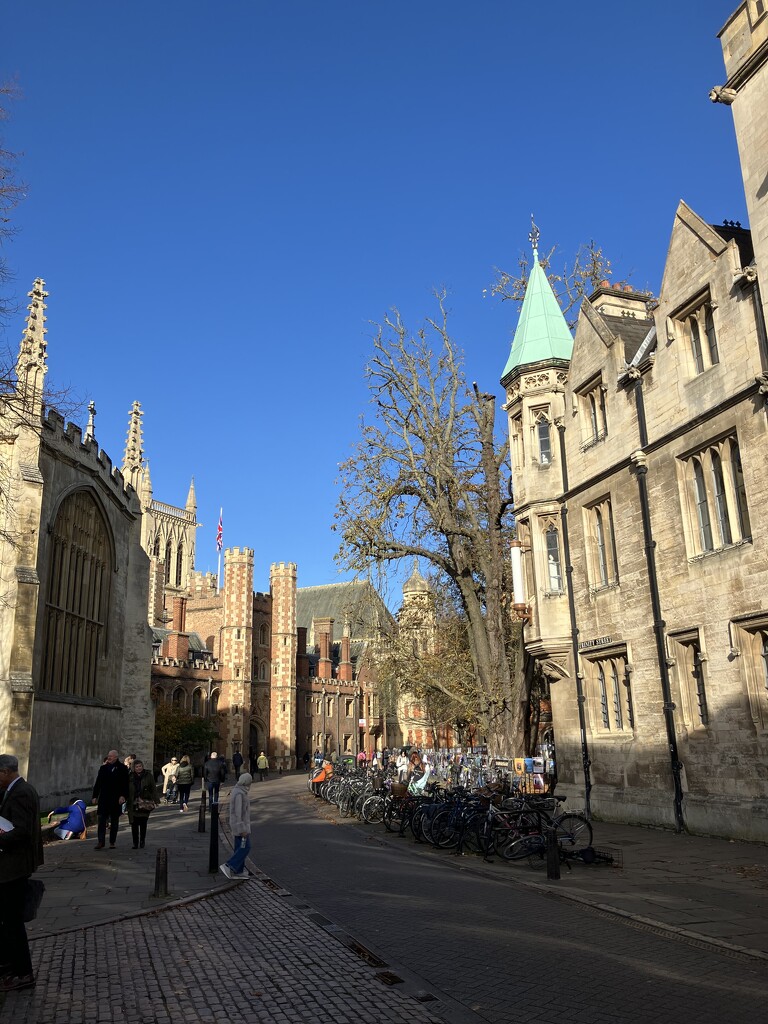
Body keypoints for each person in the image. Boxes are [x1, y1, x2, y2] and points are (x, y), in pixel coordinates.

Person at [0, 753, 44, 992]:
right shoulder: (18, 790)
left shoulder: (21, 792)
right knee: (7, 921)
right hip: (12, 866)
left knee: (13, 922)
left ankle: (23, 972)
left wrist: (2, 836)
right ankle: (9, 964)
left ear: (6, 772)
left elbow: (23, 830)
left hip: (14, 868)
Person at [91, 749, 129, 850]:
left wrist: (123, 796)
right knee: (102, 820)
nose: (109, 757)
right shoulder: (103, 768)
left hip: (116, 799)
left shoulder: (122, 768)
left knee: (114, 821)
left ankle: (112, 841)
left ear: (116, 757)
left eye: (111, 756)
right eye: (108, 755)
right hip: (104, 798)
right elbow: (98, 783)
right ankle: (101, 841)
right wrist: (95, 796)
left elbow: (125, 784)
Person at [220, 772, 252, 879]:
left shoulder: (239, 791)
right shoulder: (239, 794)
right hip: (240, 826)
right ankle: (229, 865)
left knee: (240, 847)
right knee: (246, 847)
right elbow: (238, 813)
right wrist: (242, 828)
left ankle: (239, 871)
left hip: (240, 825)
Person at [125, 760, 159, 849]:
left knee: (143, 823)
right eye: (136, 767)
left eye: (140, 766)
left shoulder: (148, 776)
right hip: (133, 804)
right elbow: (126, 789)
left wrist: (156, 800)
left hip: (145, 803)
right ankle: (135, 842)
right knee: (134, 824)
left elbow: (153, 788)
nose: (139, 768)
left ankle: (142, 840)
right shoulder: (130, 776)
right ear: (133, 768)